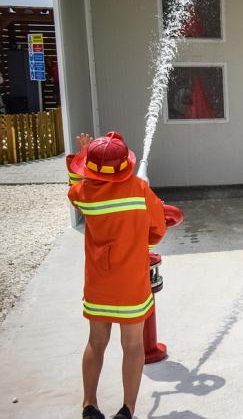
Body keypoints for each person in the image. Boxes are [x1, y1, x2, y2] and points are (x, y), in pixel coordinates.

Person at [67, 132, 167, 419]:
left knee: (95, 343)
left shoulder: (84, 194)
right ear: (125, 164)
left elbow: (74, 189)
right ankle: (127, 409)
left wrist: (83, 155)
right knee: (133, 345)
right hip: (130, 284)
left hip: (99, 282)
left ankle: (89, 405)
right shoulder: (139, 189)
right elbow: (158, 229)